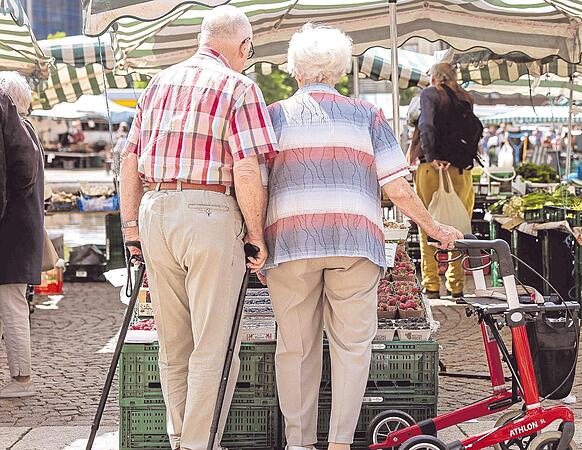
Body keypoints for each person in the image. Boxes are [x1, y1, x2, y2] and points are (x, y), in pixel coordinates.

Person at [259, 24, 462, 450]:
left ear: (295, 70)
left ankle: (298, 444)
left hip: (292, 243)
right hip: (355, 245)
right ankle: (338, 444)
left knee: (295, 349)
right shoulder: (366, 116)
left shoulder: (273, 116)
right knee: (353, 348)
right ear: (337, 70)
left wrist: (256, 243)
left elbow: (254, 186)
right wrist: (436, 228)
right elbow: (397, 187)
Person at [118, 6, 273, 449]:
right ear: (242, 46)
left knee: (174, 342)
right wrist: (257, 236)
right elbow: (246, 168)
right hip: (209, 211)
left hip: (155, 210)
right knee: (215, 344)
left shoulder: (159, 82)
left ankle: (181, 438)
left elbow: (129, 160)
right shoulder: (239, 86)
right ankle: (200, 444)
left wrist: (131, 228)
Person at [0, 71, 44, 399]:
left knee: (11, 302)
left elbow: (22, 178)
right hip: (19, 231)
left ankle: (21, 378)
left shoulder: (20, 132)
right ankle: (19, 376)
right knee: (11, 300)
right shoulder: (26, 130)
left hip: (13, 232)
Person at [416, 62, 477, 301]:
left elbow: (426, 126)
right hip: (461, 172)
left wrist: (432, 157)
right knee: (459, 226)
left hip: (432, 169)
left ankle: (431, 284)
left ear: (435, 77)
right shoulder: (466, 97)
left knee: (426, 224)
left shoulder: (430, 94)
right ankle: (456, 285)